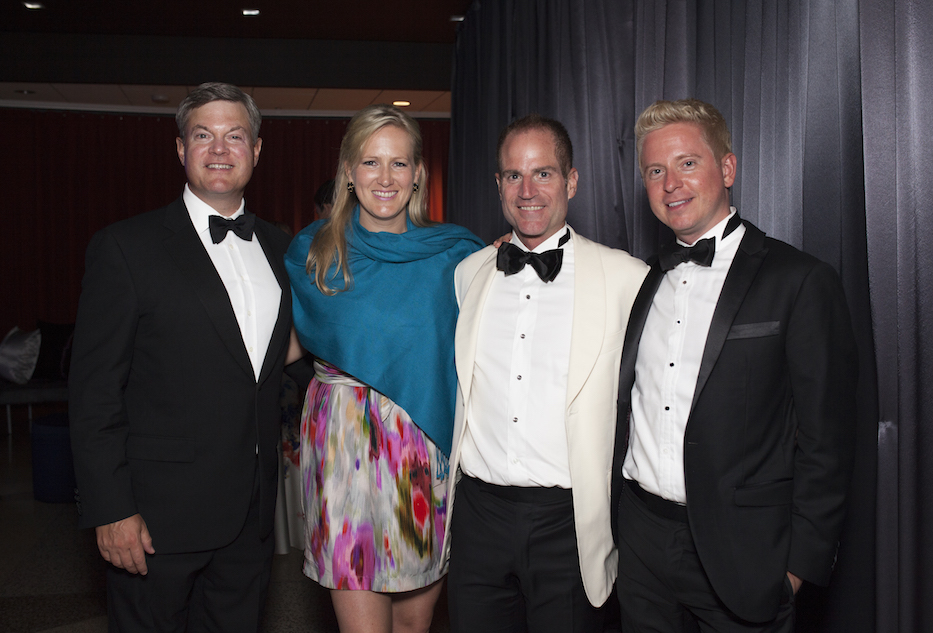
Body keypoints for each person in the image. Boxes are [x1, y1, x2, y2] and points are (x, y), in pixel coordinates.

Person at [614, 98, 857, 632]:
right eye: (655, 170)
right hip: (640, 542)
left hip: (744, 554)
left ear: (726, 168)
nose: (670, 183)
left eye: (687, 163)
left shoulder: (799, 280)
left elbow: (829, 440)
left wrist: (797, 569)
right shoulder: (642, 278)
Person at [69, 82, 293, 631]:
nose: (219, 149)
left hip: (251, 518)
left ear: (257, 150)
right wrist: (111, 508)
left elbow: (277, 364)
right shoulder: (126, 247)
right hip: (155, 520)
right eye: (203, 135)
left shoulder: (285, 248)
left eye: (234, 135)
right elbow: (94, 390)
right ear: (179, 149)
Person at [441, 114, 650, 632]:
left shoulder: (625, 278)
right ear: (498, 184)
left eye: (544, 174)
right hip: (478, 517)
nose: (527, 190)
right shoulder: (470, 274)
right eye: (514, 175)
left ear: (571, 181)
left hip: (569, 524)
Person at [284, 104, 483, 633]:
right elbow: (279, 349)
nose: (385, 177)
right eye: (371, 162)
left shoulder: (458, 255)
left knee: (416, 625)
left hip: (422, 444)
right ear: (348, 171)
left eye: (399, 164)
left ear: (419, 173)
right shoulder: (313, 251)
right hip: (342, 444)